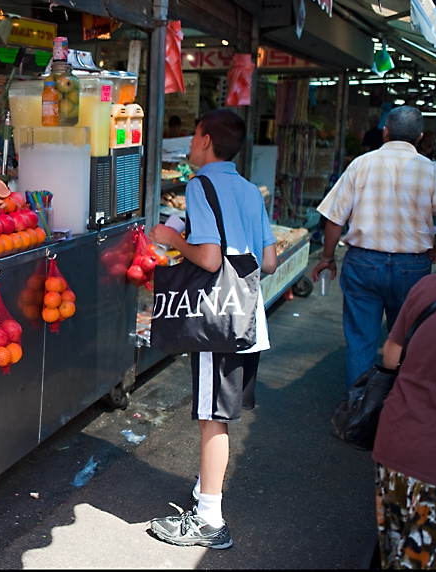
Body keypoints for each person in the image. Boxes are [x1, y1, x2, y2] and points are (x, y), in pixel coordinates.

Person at [147, 109, 278, 549]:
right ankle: (207, 491)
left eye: (193, 135)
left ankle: (209, 519)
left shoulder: (200, 185)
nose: (189, 143)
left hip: (217, 321)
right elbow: (270, 261)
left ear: (205, 140)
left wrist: (171, 240)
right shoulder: (247, 189)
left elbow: (209, 259)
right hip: (247, 319)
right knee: (219, 415)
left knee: (212, 418)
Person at [311, 106, 436, 393]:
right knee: (407, 339)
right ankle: (396, 410)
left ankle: (357, 411)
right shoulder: (433, 171)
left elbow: (335, 217)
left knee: (361, 340)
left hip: (363, 264)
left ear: (385, 131)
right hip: (413, 267)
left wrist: (327, 258)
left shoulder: (361, 164)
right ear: (420, 137)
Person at [372, 272, 436, 569]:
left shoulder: (429, 286)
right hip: (434, 467)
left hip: (394, 443)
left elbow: (390, 357)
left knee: (395, 552)